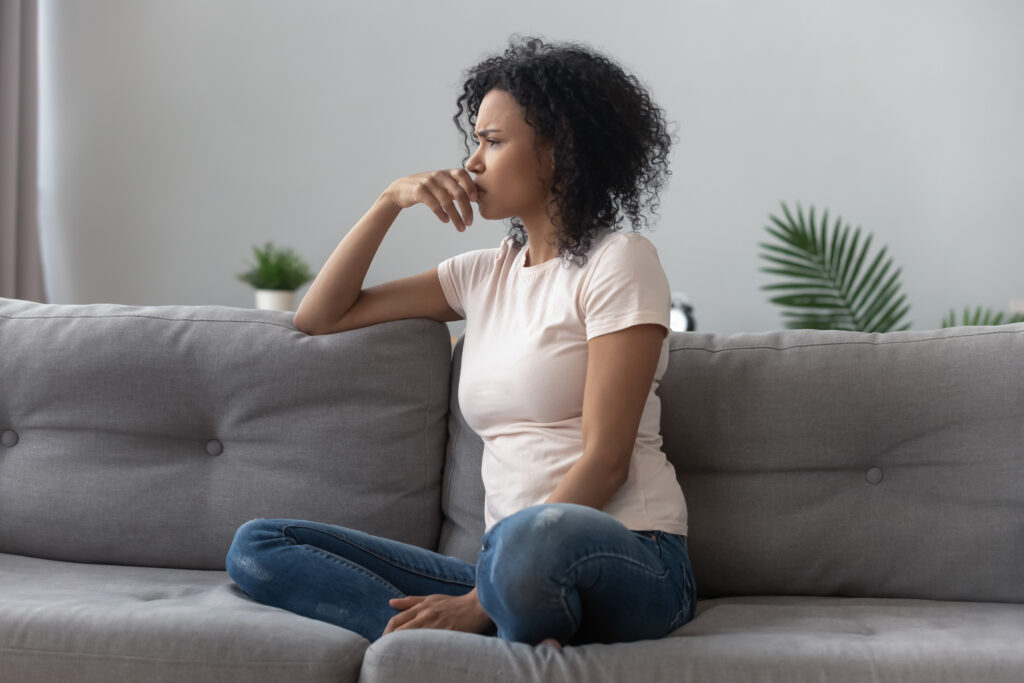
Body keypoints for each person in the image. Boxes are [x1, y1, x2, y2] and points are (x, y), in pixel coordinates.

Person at [226, 34, 696, 650]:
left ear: (560, 151)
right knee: (259, 545)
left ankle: (489, 620)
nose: (472, 163)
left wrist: (477, 601)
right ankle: (461, 637)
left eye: (493, 142)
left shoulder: (619, 261)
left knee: (525, 542)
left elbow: (607, 460)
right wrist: (390, 200)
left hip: (633, 557)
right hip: (504, 572)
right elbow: (321, 316)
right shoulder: (481, 274)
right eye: (474, 141)